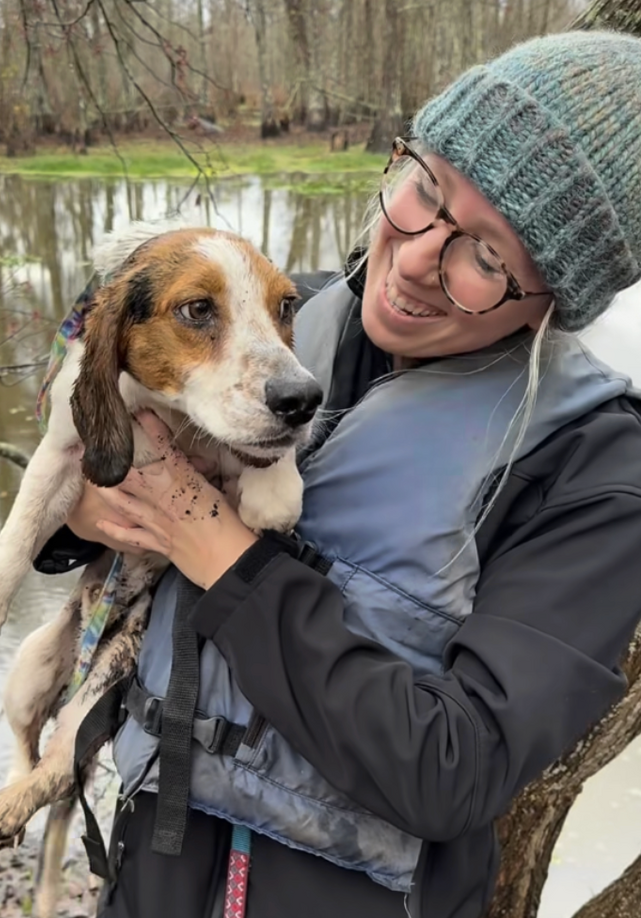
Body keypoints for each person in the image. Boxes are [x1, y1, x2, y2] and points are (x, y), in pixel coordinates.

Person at [35, 30, 641, 918]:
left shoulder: (597, 472)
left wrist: (214, 544)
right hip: (152, 869)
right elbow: (78, 435)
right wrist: (87, 508)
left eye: (487, 255)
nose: (417, 258)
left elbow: (454, 772)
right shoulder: (285, 320)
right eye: (425, 187)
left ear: (558, 297)